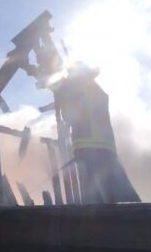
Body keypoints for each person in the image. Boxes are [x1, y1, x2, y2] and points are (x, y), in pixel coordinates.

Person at [54, 62, 141, 203]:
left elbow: (69, 116)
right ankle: (136, 212)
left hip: (87, 147)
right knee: (118, 189)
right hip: (107, 147)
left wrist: (61, 93)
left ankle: (103, 215)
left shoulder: (75, 91)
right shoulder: (96, 90)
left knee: (95, 193)